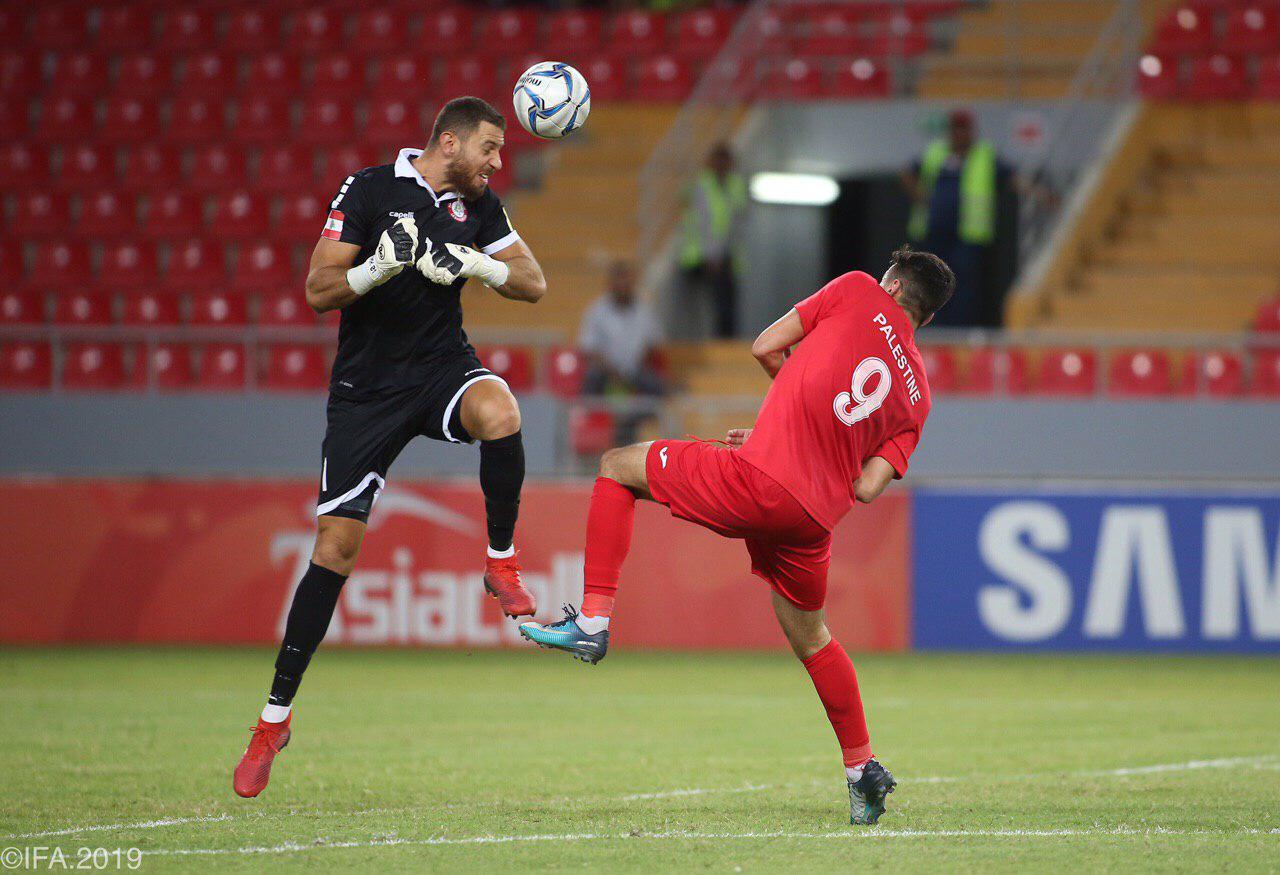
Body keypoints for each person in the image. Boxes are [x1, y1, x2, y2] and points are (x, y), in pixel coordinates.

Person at [520, 247, 954, 826]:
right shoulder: (920, 394)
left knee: (617, 466)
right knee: (814, 638)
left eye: (886, 281)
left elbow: (765, 346)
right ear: (925, 318)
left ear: (894, 288)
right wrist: (792, 432)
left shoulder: (856, 289)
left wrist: (789, 427)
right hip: (812, 521)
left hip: (760, 483)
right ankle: (861, 768)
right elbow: (870, 485)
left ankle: (593, 621)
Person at [234, 97, 548, 799]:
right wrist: (380, 266)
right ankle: (272, 720)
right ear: (449, 142)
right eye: (490, 149)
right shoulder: (370, 189)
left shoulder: (481, 207)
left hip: (441, 370)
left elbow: (533, 283)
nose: (497, 163)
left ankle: (502, 561)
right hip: (366, 391)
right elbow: (319, 289)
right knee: (336, 550)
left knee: (500, 409)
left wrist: (474, 261)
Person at [901, 108, 996, 328]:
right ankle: (930, 328)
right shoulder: (935, 152)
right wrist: (919, 197)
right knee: (930, 283)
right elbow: (906, 172)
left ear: (971, 132)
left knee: (963, 286)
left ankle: (960, 330)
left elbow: (1012, 178)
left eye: (964, 129)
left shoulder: (984, 155)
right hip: (934, 234)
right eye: (955, 129)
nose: (959, 134)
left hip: (966, 237)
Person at [579, 261, 665, 442]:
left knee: (657, 387)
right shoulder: (597, 311)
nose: (624, 286)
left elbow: (652, 346)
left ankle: (628, 425)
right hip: (605, 372)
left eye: (628, 281)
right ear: (611, 284)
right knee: (590, 379)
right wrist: (614, 373)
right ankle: (591, 427)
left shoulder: (644, 310)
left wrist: (632, 370)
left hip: (635, 371)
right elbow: (589, 349)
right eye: (620, 280)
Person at [679, 142, 747, 338]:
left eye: (725, 161)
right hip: (698, 255)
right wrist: (711, 255)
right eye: (718, 160)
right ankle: (695, 341)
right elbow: (702, 222)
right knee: (698, 304)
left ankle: (724, 342)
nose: (722, 165)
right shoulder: (701, 185)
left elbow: (737, 223)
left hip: (725, 255)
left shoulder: (736, 185)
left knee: (726, 303)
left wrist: (721, 254)